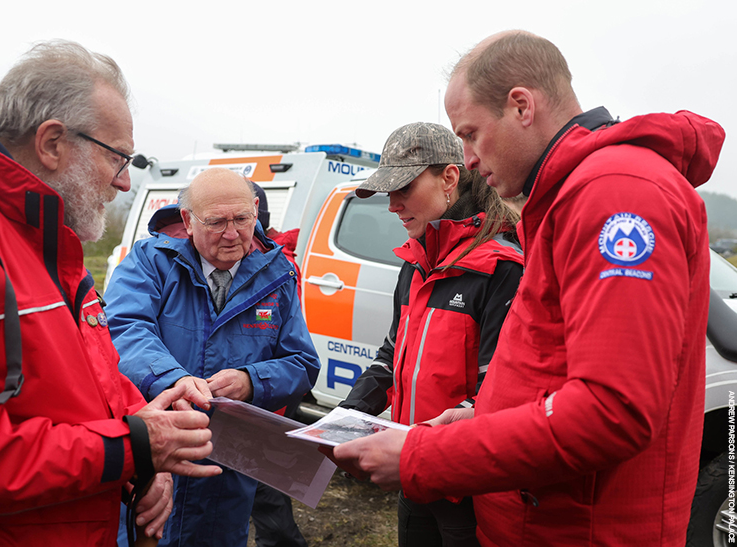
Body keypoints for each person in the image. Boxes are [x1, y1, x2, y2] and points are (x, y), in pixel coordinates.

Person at [332, 30, 725, 546]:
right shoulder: (568, 199)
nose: (468, 158)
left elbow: (613, 411)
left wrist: (424, 456)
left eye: (471, 133)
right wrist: (481, 414)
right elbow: (554, 369)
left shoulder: (615, 193)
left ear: (521, 106)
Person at [0, 40, 219, 546]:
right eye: (118, 158)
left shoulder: (48, 238)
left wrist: (143, 424)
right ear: (52, 143)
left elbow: (81, 386)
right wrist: (133, 447)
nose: (125, 183)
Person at [104, 167, 320, 547]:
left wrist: (252, 380)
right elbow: (125, 331)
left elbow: (301, 364)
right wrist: (173, 379)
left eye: (241, 219)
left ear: (256, 210)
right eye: (217, 222)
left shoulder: (279, 276)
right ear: (187, 220)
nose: (233, 233)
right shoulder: (150, 261)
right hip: (156, 448)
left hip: (231, 467)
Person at [335, 122, 523, 547]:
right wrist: (343, 418)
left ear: (449, 178)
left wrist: (430, 450)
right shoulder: (416, 261)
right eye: (388, 193)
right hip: (414, 473)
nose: (393, 206)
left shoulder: (502, 268)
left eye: (403, 189)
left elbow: (499, 391)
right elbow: (391, 354)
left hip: (469, 485)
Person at [249, 182, 309, 547]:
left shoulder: (278, 266)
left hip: (266, 398)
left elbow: (278, 344)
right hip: (261, 393)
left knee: (266, 496)